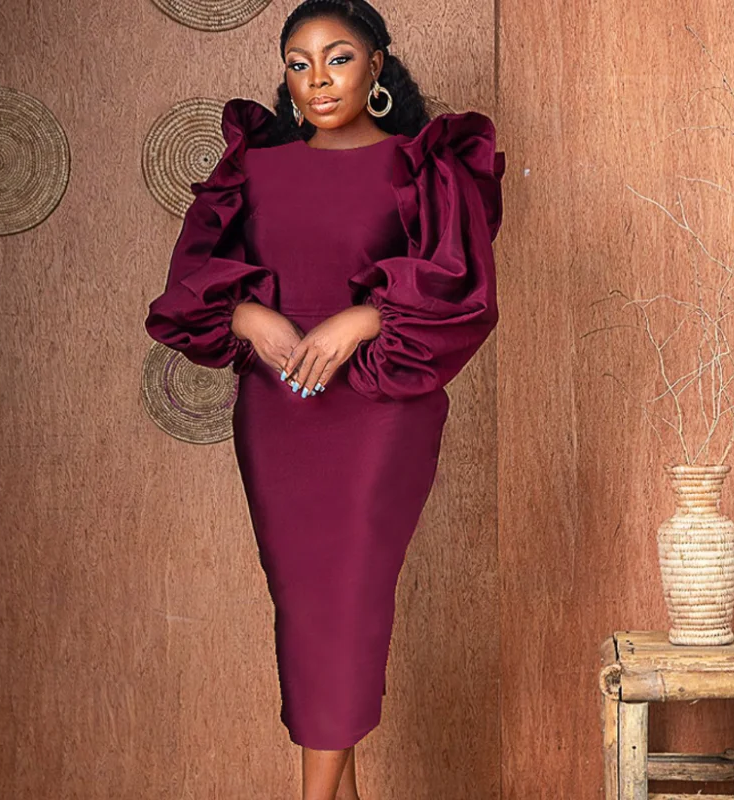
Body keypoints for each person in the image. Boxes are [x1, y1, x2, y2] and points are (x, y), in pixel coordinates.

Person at [144, 1, 505, 797]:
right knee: (307, 609)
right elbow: (189, 286)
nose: (318, 79)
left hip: (381, 410)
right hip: (278, 415)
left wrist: (362, 317)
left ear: (377, 64)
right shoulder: (255, 167)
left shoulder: (423, 165)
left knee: (347, 601)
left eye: (338, 58)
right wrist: (247, 314)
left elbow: (461, 288)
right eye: (298, 63)